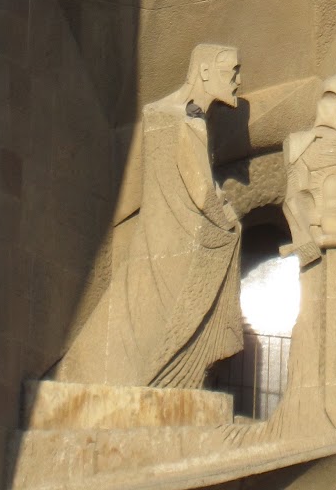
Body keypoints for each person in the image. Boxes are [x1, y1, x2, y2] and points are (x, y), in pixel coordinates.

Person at [57, 46, 244, 389]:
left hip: (163, 238)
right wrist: (227, 222)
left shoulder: (171, 115)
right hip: (177, 241)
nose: (237, 80)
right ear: (204, 72)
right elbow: (200, 188)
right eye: (231, 71)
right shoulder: (183, 119)